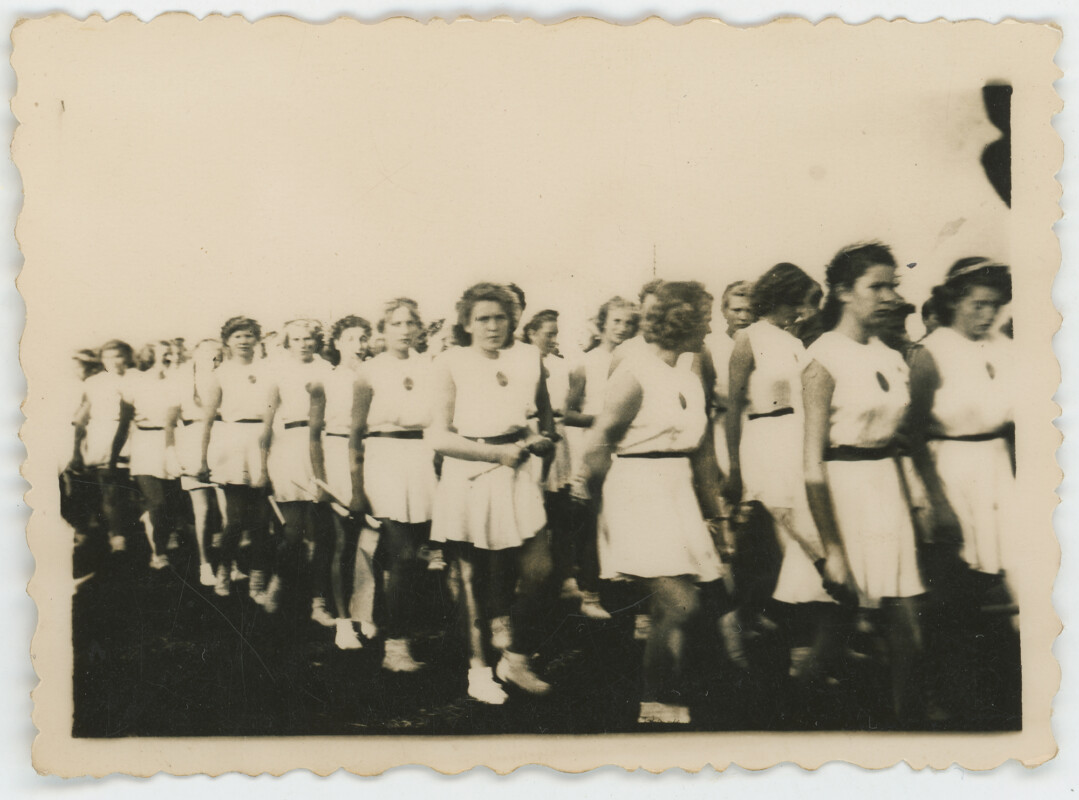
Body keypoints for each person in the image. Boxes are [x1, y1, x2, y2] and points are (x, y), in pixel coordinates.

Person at [578, 281, 725, 725]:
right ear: (681, 321)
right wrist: (600, 509)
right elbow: (597, 444)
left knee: (683, 605)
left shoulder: (689, 376)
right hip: (637, 493)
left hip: (677, 493)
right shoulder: (635, 374)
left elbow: (701, 452)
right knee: (681, 603)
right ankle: (658, 700)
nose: (710, 328)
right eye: (704, 319)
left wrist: (717, 514)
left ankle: (659, 702)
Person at [802, 242, 926, 724]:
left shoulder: (888, 354)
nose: (889, 296)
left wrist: (915, 500)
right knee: (835, 628)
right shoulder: (822, 358)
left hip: (886, 493)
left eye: (893, 286)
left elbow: (896, 441)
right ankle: (792, 717)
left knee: (907, 624)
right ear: (842, 292)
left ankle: (908, 732)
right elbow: (812, 464)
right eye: (876, 287)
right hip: (841, 497)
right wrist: (832, 550)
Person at [428, 282, 555, 704]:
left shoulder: (528, 356)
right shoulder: (449, 362)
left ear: (513, 320)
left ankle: (514, 660)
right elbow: (438, 437)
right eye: (482, 318)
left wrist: (533, 438)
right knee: (471, 580)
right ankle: (478, 670)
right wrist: (495, 454)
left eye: (500, 317)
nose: (492, 326)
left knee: (540, 571)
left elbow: (527, 417)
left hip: (517, 474)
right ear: (466, 323)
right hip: (471, 474)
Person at [724, 263, 841, 684]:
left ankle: (797, 644)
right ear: (784, 298)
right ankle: (742, 621)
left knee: (796, 547)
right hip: (762, 443)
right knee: (793, 541)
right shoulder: (748, 338)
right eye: (803, 303)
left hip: (795, 441)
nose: (807, 311)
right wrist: (734, 467)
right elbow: (733, 407)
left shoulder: (795, 342)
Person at [908, 258, 1015, 596]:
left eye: (995, 305)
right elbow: (912, 434)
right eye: (978, 305)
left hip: (999, 466)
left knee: (1012, 568)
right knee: (961, 576)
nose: (988, 314)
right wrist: (938, 501)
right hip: (951, 470)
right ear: (954, 301)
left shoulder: (1006, 348)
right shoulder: (932, 351)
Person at [350, 299, 437, 670]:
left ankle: (391, 623)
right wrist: (356, 489)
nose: (404, 330)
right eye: (396, 324)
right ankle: (395, 647)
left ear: (419, 329)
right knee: (403, 555)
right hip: (384, 461)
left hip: (422, 460)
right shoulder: (368, 371)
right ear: (382, 331)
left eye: (410, 323)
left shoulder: (430, 366)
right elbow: (355, 434)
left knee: (415, 557)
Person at [563, 296, 640, 619]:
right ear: (602, 324)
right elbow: (567, 413)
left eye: (629, 323)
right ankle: (590, 594)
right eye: (616, 321)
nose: (622, 328)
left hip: (631, 449)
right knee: (596, 520)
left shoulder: (639, 361)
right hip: (597, 449)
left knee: (631, 519)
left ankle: (637, 601)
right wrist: (605, 421)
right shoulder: (586, 363)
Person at [261, 319, 334, 620]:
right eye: (297, 339)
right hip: (289, 447)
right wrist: (262, 465)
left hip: (324, 445)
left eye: (309, 338)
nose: (304, 344)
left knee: (321, 532)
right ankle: (278, 582)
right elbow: (267, 423)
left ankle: (318, 602)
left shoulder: (327, 369)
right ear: (287, 343)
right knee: (293, 531)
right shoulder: (277, 371)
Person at [312, 315, 375, 650]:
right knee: (342, 541)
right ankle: (342, 622)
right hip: (338, 455)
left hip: (374, 453)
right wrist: (320, 480)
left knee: (371, 539)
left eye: (363, 338)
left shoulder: (376, 373)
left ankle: (364, 611)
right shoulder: (325, 379)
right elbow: (314, 435)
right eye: (351, 338)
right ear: (336, 343)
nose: (359, 345)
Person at [198, 317, 271, 599]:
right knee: (236, 519)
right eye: (238, 336)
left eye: (249, 335)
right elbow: (207, 420)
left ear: (257, 340)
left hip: (264, 440)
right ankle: (224, 571)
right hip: (233, 443)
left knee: (262, 519)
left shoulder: (267, 370)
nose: (244, 341)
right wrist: (203, 459)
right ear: (227, 341)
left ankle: (257, 579)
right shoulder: (220, 374)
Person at [522, 310, 576, 608]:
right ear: (531, 333)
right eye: (548, 333)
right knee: (533, 507)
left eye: (556, 333)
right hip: (531, 438)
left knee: (559, 510)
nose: (554, 339)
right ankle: (529, 578)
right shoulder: (521, 361)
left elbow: (564, 406)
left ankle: (562, 579)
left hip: (557, 439)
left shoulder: (561, 365)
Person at [167, 338, 225, 586]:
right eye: (207, 354)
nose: (213, 359)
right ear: (195, 355)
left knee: (227, 510)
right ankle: (205, 565)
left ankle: (228, 565)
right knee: (202, 510)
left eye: (217, 354)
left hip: (223, 439)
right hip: (192, 440)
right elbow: (169, 421)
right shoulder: (182, 381)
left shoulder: (226, 378)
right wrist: (171, 453)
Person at [70, 340, 136, 555]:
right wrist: (77, 449)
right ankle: (116, 537)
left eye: (118, 356)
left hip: (132, 434)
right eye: (108, 357)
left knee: (129, 487)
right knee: (108, 487)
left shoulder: (136, 378)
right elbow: (83, 415)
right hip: (101, 435)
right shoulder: (94, 382)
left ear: (127, 357)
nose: (113, 361)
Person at [124, 343, 185, 569]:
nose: (168, 358)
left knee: (170, 503)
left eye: (170, 354)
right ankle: (158, 553)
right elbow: (125, 418)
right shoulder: (135, 382)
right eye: (163, 355)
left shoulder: (178, 380)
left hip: (174, 441)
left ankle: (159, 529)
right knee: (157, 502)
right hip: (144, 443)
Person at [707, 280, 756, 475]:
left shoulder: (762, 343)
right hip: (722, 426)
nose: (743, 317)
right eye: (737, 310)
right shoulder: (711, 346)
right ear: (724, 310)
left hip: (755, 426)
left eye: (749, 310)